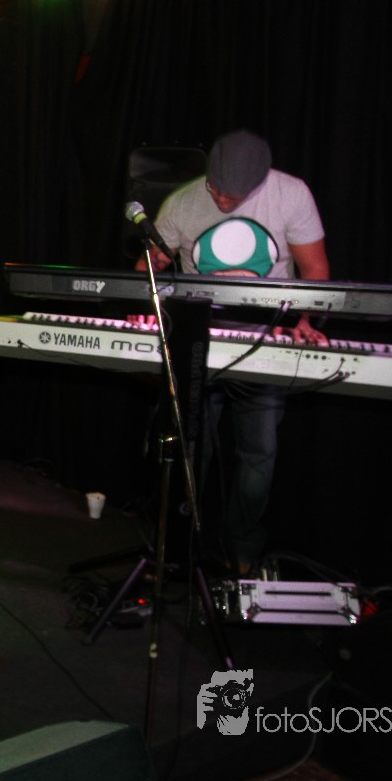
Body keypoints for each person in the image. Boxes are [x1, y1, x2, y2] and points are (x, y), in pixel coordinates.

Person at [134, 129, 331, 575]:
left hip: (264, 336)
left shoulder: (291, 194)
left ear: (260, 182)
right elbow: (150, 265)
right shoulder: (183, 201)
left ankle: (241, 548)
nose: (222, 201)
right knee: (190, 447)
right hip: (196, 337)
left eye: (234, 197)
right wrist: (147, 298)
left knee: (257, 452)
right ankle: (180, 542)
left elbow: (315, 270)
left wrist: (306, 319)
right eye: (215, 190)